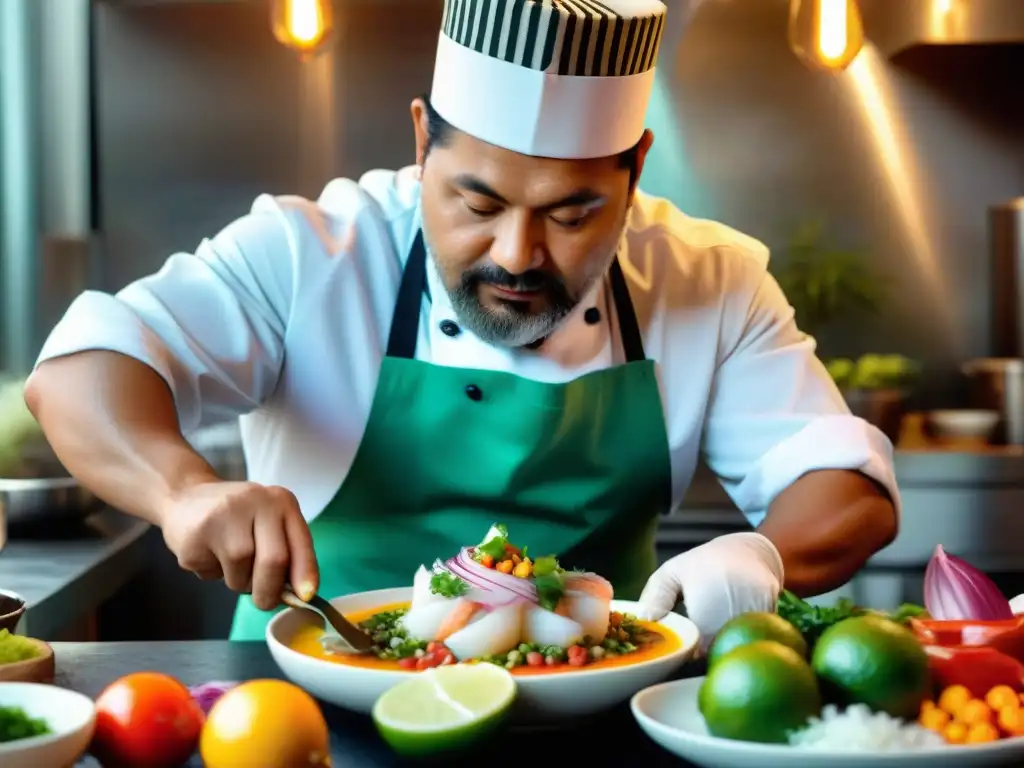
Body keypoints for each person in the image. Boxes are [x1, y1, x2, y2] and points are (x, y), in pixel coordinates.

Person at [24, 0, 899, 645]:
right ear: (419, 144)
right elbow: (81, 366)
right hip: (307, 704)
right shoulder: (309, 253)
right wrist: (182, 490)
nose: (517, 254)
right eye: (476, 202)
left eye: (572, 213)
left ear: (635, 169)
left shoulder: (710, 279)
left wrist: (763, 558)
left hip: (593, 703)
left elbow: (843, 485)